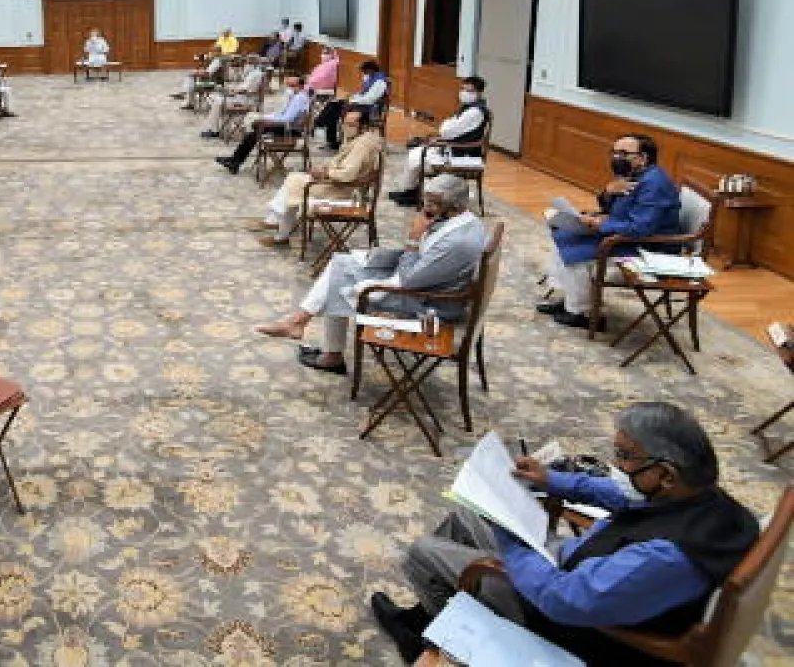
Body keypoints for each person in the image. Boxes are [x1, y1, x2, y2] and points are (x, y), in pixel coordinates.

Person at [374, 402, 759, 666]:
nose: (616, 464)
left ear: (667, 474)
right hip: (586, 570)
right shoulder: (706, 501)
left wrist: (508, 532)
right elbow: (626, 499)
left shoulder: (667, 558)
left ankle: (442, 643)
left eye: (625, 456)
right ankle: (426, 618)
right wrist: (554, 481)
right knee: (463, 516)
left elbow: (562, 600)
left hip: (570, 624)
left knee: (424, 552)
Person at [255, 174, 487, 375]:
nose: (426, 208)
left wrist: (413, 239)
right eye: (427, 200)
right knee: (341, 262)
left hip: (429, 305)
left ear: (455, 206)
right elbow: (421, 267)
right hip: (424, 284)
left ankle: (325, 350)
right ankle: (302, 325)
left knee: (340, 280)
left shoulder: (458, 242)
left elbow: (410, 281)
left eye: (434, 203)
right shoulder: (461, 222)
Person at [537, 134, 680, 328]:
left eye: (623, 153)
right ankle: (572, 301)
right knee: (564, 236)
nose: (616, 158)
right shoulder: (632, 174)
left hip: (648, 248)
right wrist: (608, 191)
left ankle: (585, 314)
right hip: (625, 236)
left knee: (576, 255)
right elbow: (615, 208)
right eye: (614, 152)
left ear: (643, 158)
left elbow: (641, 228)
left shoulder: (654, 185)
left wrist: (600, 224)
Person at [247, 109, 383, 245]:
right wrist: (323, 170)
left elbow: (347, 174)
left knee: (295, 182)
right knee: (294, 180)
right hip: (336, 183)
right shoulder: (358, 139)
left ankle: (278, 227)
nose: (346, 127)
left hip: (344, 190)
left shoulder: (363, 145)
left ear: (364, 126)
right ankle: (279, 226)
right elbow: (341, 165)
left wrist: (325, 173)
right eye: (344, 123)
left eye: (351, 124)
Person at [389, 76, 490, 206]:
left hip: (463, 153)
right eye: (463, 89)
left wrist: (445, 129)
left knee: (417, 156)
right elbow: (450, 127)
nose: (464, 93)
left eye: (469, 91)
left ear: (479, 93)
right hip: (454, 146)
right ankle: (410, 191)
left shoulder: (474, 112)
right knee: (415, 153)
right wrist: (446, 128)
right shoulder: (468, 108)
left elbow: (446, 130)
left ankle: (410, 193)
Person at [215, 75, 314, 175]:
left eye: (292, 86)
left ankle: (235, 161)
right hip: (287, 127)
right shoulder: (298, 96)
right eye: (288, 85)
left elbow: (287, 118)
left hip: (289, 131)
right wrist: (266, 117)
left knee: (256, 129)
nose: (289, 88)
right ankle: (234, 161)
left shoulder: (299, 98)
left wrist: (265, 120)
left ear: (300, 86)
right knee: (254, 132)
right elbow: (282, 114)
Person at [314, 60, 387, 150]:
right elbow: (362, 94)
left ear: (371, 70)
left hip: (368, 108)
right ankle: (326, 132)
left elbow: (370, 99)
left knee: (333, 111)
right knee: (333, 105)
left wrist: (353, 100)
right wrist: (352, 97)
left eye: (364, 71)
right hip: (360, 103)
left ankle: (320, 125)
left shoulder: (379, 82)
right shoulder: (370, 79)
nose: (363, 73)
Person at [200, 62, 269, 135]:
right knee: (214, 99)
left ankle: (213, 130)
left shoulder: (256, 75)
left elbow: (247, 90)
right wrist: (232, 90)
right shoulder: (254, 73)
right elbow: (244, 87)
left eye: (248, 63)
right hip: (242, 98)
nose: (246, 66)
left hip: (245, 101)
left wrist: (233, 91)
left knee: (217, 101)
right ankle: (221, 126)